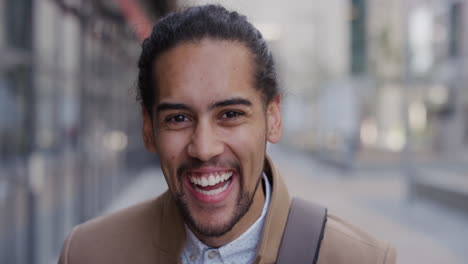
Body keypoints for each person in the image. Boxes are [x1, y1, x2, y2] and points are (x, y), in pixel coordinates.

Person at [58, 4, 396, 264]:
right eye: (178, 118)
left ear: (273, 118)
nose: (204, 148)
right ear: (148, 129)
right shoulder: (88, 254)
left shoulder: (359, 259)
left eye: (231, 115)